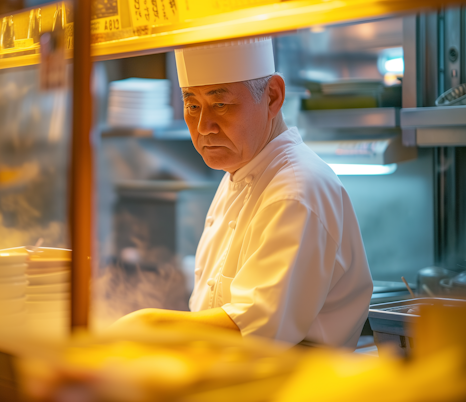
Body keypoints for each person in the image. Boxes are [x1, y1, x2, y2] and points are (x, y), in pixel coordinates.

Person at [113, 37, 373, 349]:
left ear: (273, 97)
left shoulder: (295, 190)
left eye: (220, 104)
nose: (203, 125)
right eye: (192, 105)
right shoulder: (241, 169)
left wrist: (147, 324)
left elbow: (256, 328)